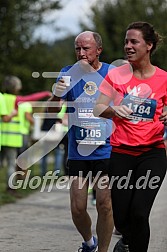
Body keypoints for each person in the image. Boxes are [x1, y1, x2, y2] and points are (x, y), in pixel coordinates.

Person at [94, 21, 167, 252]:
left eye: (134, 41)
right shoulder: (116, 75)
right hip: (121, 153)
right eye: (126, 41)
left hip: (152, 153)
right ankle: (126, 240)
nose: (128, 46)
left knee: (139, 212)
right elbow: (98, 108)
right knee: (123, 219)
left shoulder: (164, 78)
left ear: (149, 45)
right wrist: (113, 109)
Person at [48, 31, 115, 252]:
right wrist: (57, 95)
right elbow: (51, 111)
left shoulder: (112, 73)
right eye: (77, 48)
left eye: (86, 48)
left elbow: (126, 106)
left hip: (106, 148)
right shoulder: (67, 73)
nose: (81, 53)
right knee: (78, 208)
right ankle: (89, 243)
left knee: (105, 205)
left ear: (99, 50)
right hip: (78, 150)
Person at [0, 75, 51, 193]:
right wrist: (45, 93)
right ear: (16, 87)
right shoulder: (16, 100)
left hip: (2, 136)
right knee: (11, 164)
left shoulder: (1, 98)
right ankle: (11, 188)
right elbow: (31, 98)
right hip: (11, 138)